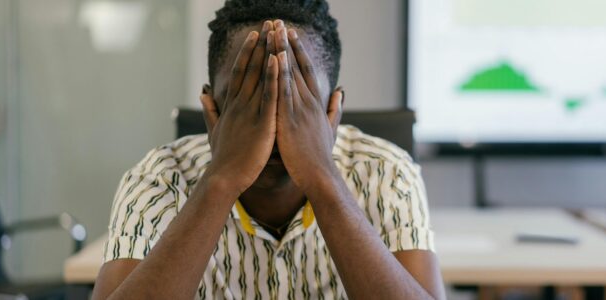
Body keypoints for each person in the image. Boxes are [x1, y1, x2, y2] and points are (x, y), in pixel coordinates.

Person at [92, 1, 444, 299]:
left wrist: (322, 177)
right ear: (211, 111)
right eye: (247, 99)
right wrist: (222, 178)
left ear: (332, 113)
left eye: (298, 102)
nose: (272, 126)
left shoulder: (386, 173)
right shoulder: (158, 180)